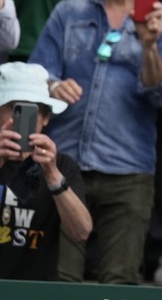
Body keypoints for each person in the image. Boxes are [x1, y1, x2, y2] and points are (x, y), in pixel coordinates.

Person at [28, 0, 162, 284]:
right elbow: (36, 76)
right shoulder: (68, 13)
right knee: (58, 280)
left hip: (128, 171)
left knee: (119, 283)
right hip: (63, 165)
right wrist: (52, 87)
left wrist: (149, 45)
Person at [0, 62, 91, 281]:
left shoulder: (61, 165)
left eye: (31, 110)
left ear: (46, 118)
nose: (18, 120)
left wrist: (53, 176)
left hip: (36, 291)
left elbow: (80, 232)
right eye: (13, 107)